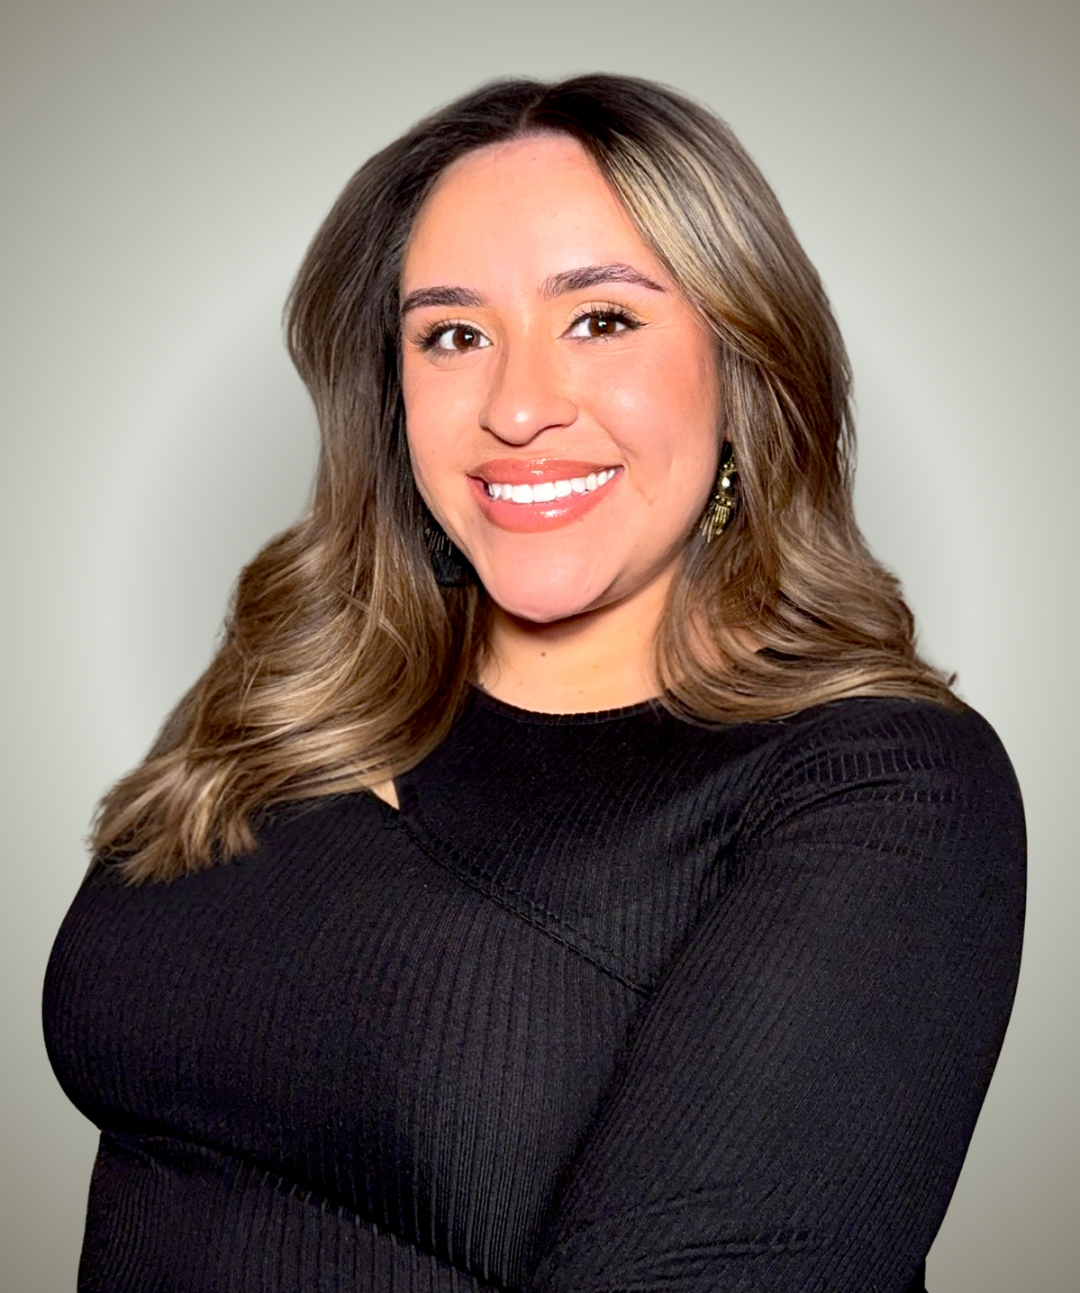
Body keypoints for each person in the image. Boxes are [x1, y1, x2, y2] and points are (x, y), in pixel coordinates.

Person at [42, 75, 1024, 1293]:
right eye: (452, 334)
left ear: (742, 358)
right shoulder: (297, 681)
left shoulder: (881, 788)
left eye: (601, 320)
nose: (515, 407)